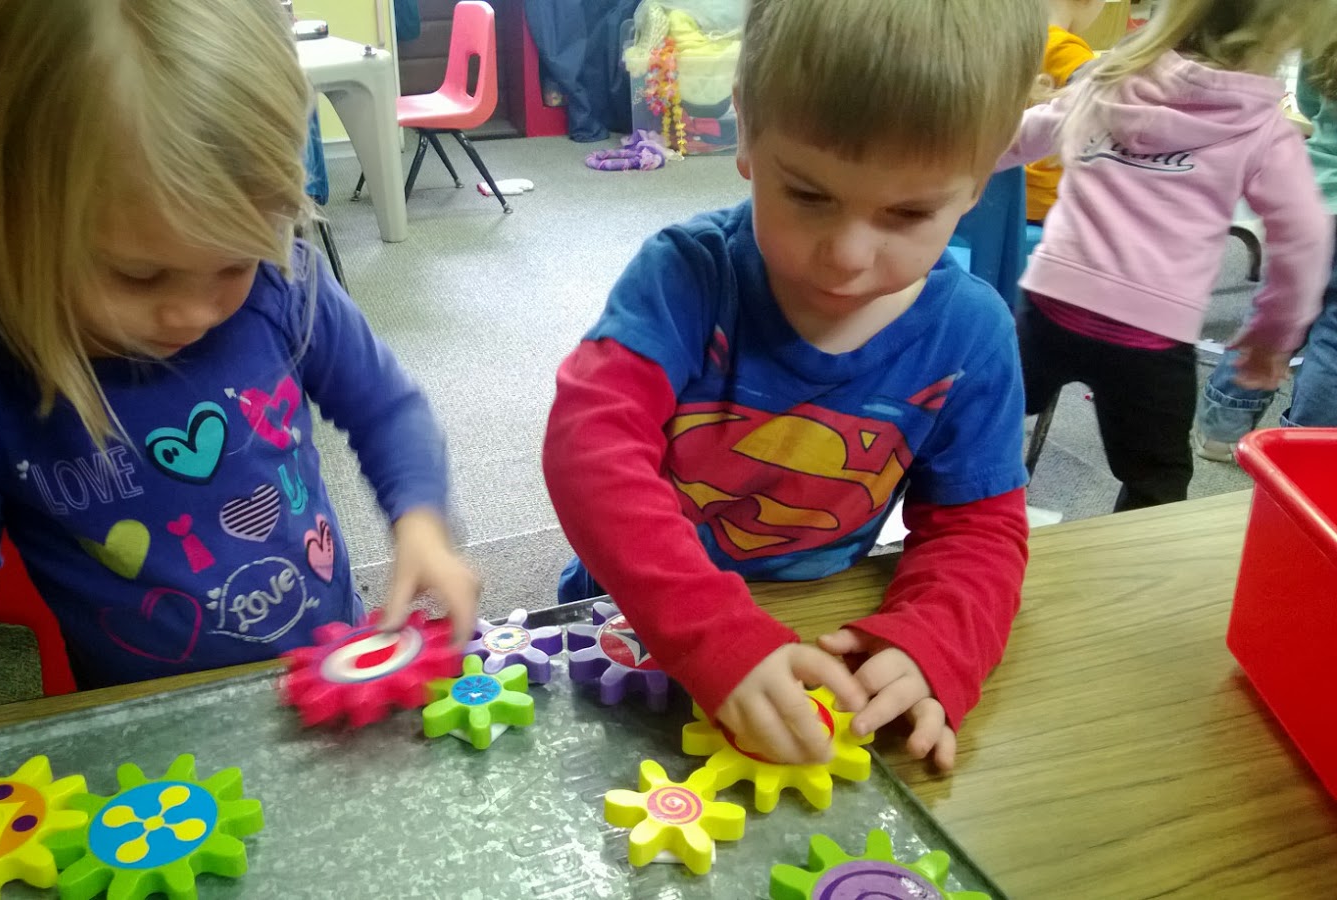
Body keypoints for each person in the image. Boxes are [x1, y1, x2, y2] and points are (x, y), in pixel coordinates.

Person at [0, 0, 480, 759]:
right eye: (139, 274)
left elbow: (388, 410)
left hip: (326, 664)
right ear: (16, 211)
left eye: (233, 260)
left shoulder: (283, 287)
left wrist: (422, 522)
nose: (191, 311)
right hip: (143, 722)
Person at [543, 0, 1044, 772]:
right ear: (747, 129)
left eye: (908, 212)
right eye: (809, 196)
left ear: (982, 179)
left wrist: (937, 642)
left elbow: (978, 529)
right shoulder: (686, 276)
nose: (846, 256)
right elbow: (591, 450)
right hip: (634, 612)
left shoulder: (971, 335)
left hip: (816, 619)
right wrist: (713, 634)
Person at [998, 0, 1334, 510]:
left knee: (978, 423)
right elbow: (1304, 242)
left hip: (1049, 309)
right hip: (1149, 339)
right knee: (1158, 479)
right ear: (1281, 38)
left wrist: (921, 177)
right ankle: (1136, 579)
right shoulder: (1263, 130)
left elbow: (1017, 137)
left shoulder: (1108, 79)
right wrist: (1271, 338)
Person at [1195, 53, 1337, 457]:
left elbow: (1310, 102)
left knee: (1275, 311)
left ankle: (1220, 430)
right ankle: (1301, 454)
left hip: (1316, 196)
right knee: (1334, 340)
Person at [1024, 0, 1103, 223]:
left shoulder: (1008, 39)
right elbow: (1105, 107)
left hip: (991, 188)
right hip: (1044, 199)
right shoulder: (1064, 49)